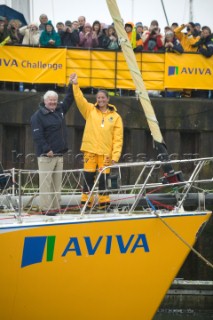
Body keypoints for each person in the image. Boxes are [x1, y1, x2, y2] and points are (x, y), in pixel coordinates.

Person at [70, 72, 123, 211]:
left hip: (106, 153)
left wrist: (115, 156)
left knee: (104, 180)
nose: (101, 100)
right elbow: (79, 99)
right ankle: (86, 203)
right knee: (87, 177)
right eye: (98, 97)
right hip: (90, 150)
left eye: (103, 97)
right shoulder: (89, 110)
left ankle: (104, 205)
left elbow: (118, 138)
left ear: (108, 99)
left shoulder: (116, 117)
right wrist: (75, 84)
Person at [31, 76, 74, 215]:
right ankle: (45, 208)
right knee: (45, 184)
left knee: (57, 184)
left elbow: (68, 99)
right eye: (50, 100)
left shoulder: (59, 110)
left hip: (59, 154)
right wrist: (46, 149)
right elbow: (37, 135)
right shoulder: (37, 116)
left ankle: (55, 207)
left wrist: (71, 84)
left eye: (55, 100)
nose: (53, 102)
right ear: (45, 101)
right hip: (46, 155)